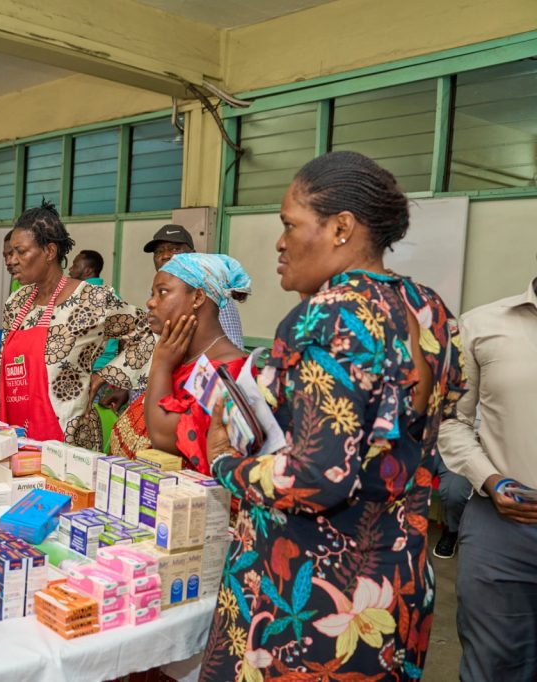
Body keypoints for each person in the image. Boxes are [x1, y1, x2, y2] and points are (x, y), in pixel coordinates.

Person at [198, 151, 464, 681]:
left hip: (313, 595)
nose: (279, 242)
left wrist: (225, 462)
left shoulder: (331, 314)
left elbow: (316, 479)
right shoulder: (427, 306)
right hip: (394, 582)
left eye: (289, 224)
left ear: (341, 227)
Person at [0, 202, 154, 448]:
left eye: (20, 252)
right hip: (18, 434)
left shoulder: (91, 299)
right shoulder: (17, 302)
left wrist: (104, 378)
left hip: (69, 440)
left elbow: (147, 333)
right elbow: (4, 372)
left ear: (50, 251)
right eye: (9, 253)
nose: (11, 260)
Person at [438, 272, 537, 681]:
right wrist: (490, 478)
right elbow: (450, 420)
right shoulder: (481, 325)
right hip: (503, 525)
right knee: (493, 665)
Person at [108, 253, 250, 467]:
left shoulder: (226, 369)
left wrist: (161, 366)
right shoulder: (180, 359)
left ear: (198, 298)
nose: (151, 302)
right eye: (152, 293)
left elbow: (165, 438)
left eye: (162, 292)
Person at [68, 249, 119, 371]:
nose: (70, 269)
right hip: (106, 367)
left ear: (88, 270)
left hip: (87, 369)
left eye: (75, 265)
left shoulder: (80, 296)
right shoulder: (113, 295)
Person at [433, 452, 471, 559]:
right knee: (407, 475)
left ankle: (452, 529)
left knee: (453, 493)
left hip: (466, 452)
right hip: (438, 441)